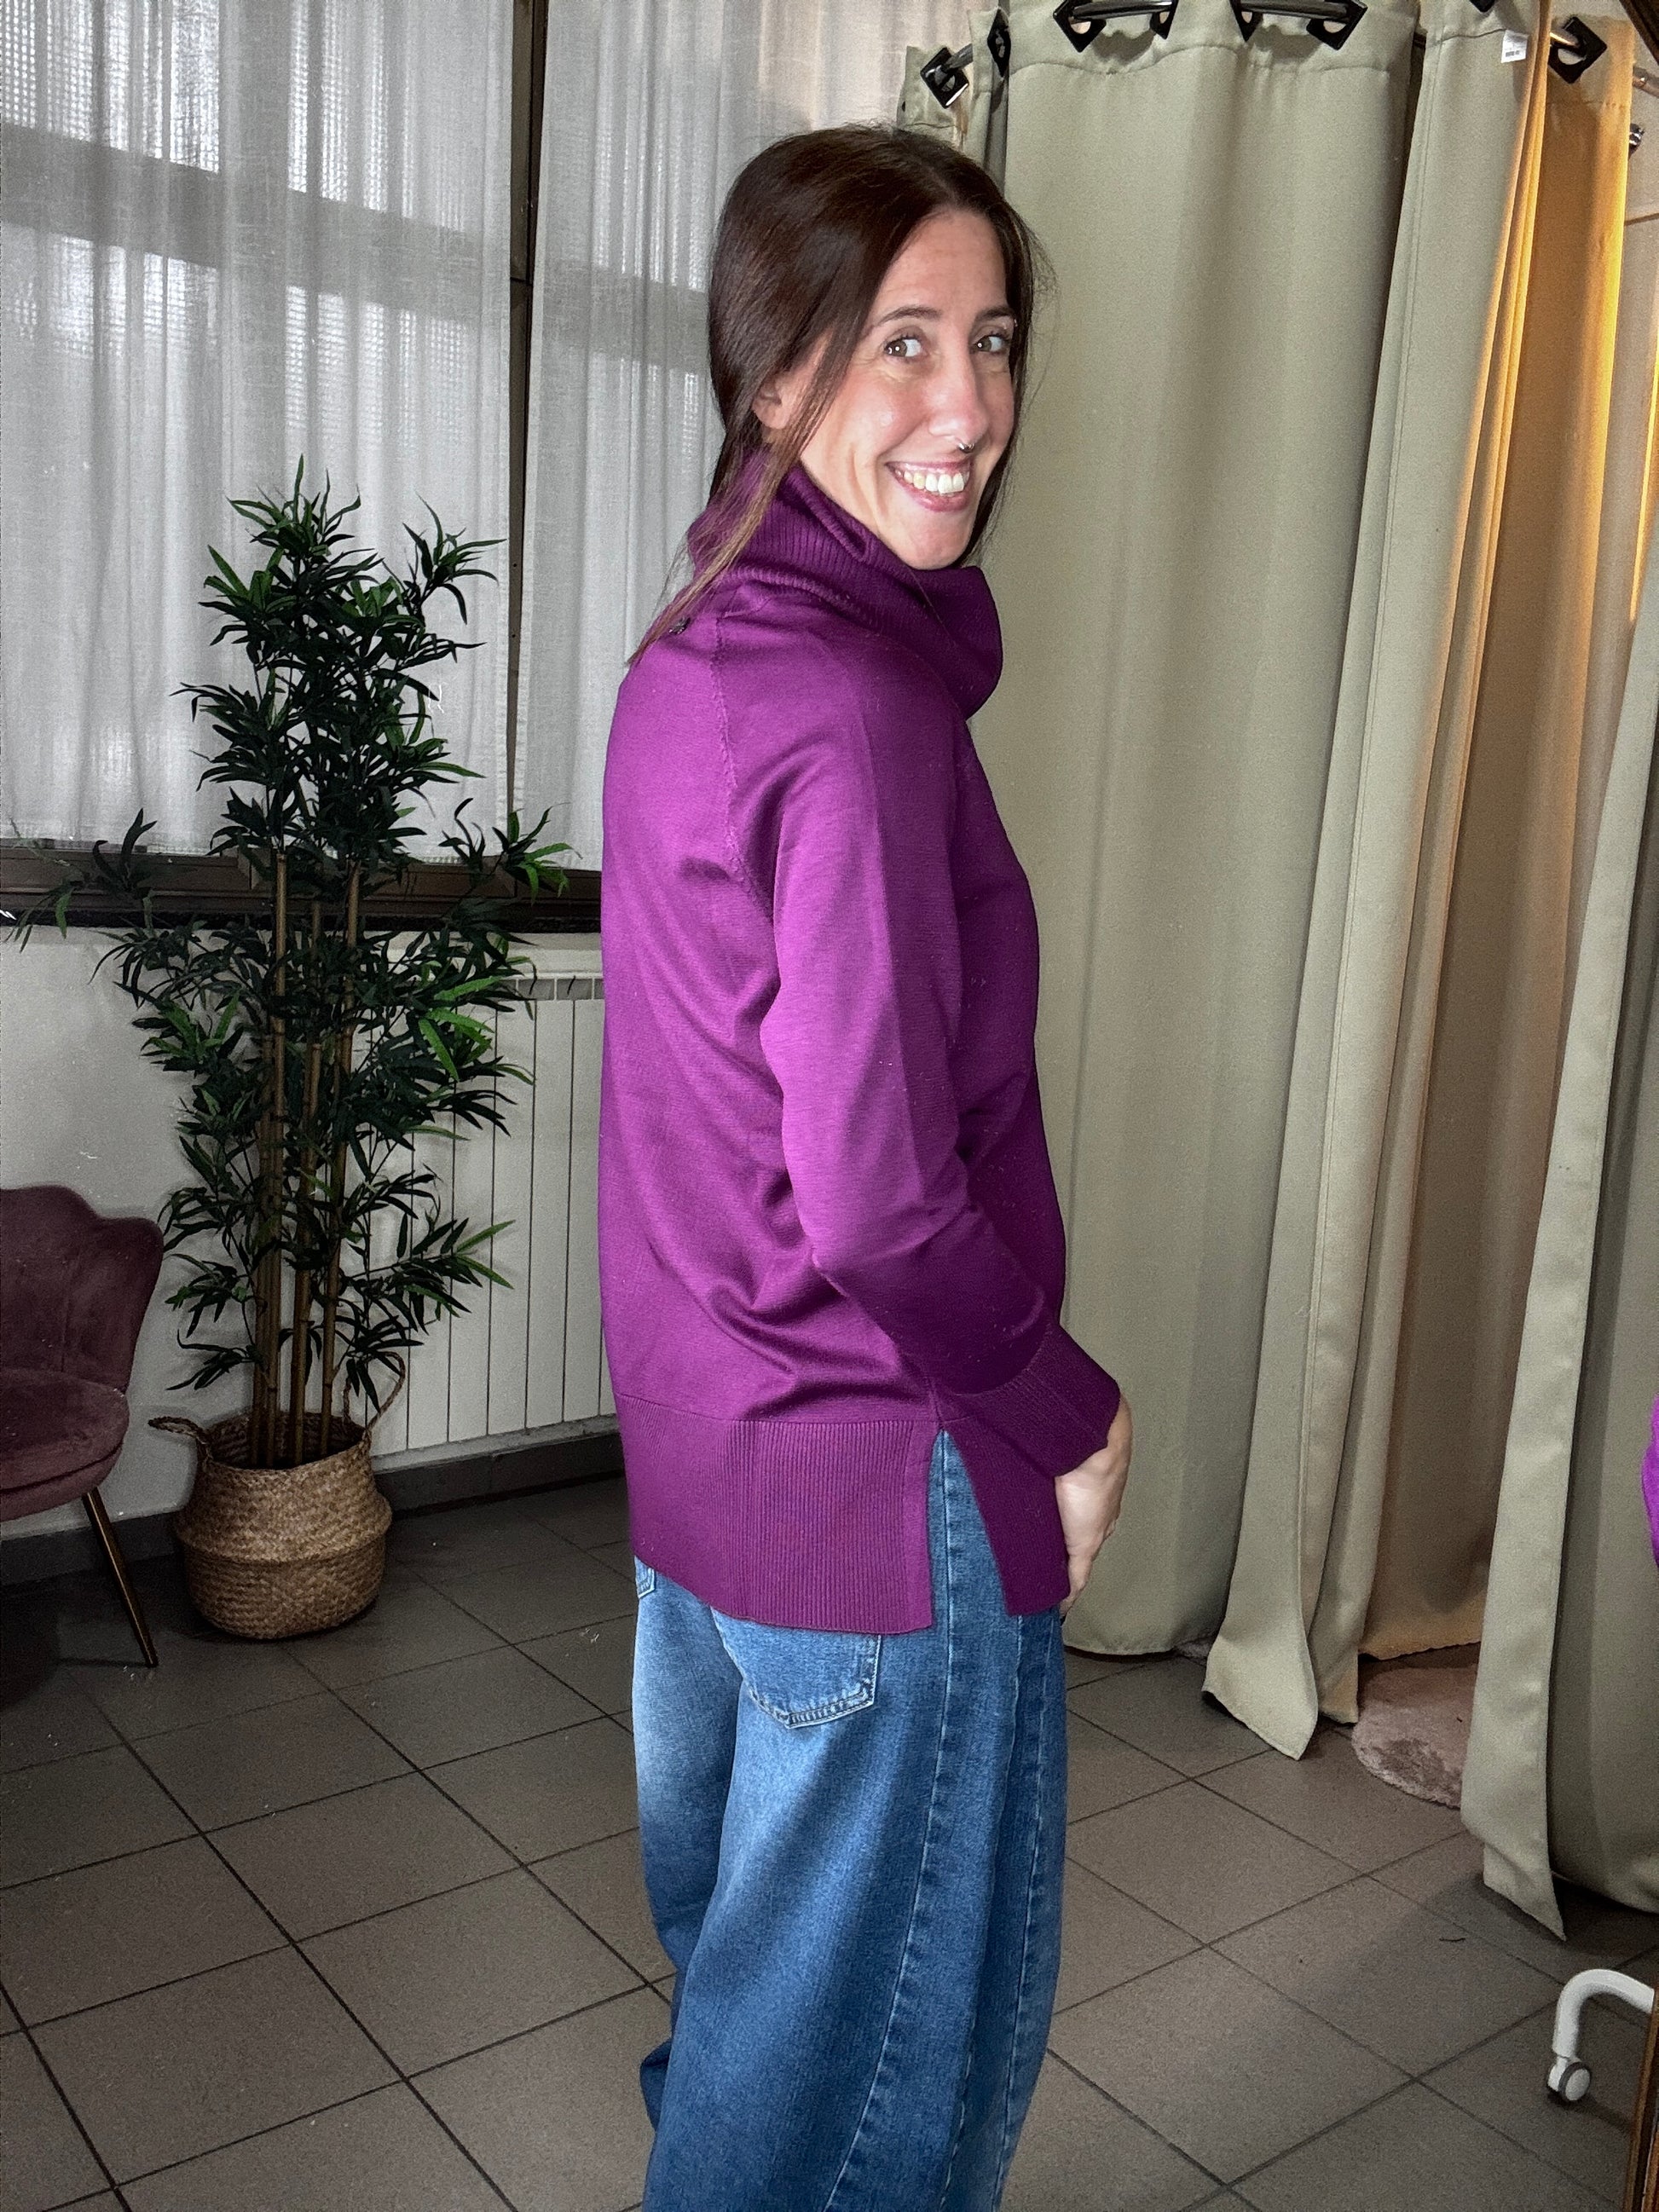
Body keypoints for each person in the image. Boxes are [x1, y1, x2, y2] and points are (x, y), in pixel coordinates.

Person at [596, 121, 1134, 2212]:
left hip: (710, 1481)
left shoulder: (692, 653)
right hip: (875, 1483)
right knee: (873, 2102)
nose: (969, 406)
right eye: (901, 340)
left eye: (989, 341)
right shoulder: (855, 705)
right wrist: (1065, 1412)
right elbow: (884, 1198)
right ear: (772, 371)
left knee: (755, 2023)